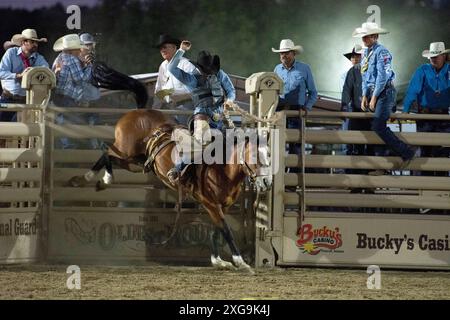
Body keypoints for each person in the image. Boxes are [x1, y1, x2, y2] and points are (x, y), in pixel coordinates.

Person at [166, 40, 236, 183]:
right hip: (202, 116)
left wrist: (229, 100)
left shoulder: (220, 74)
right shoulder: (191, 78)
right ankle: (178, 168)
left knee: (234, 139)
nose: (209, 72)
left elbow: (231, 91)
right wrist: (181, 50)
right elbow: (172, 68)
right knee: (201, 143)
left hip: (220, 115)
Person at [353, 22, 416, 175]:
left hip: (385, 92)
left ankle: (406, 152)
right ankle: (384, 162)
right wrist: (365, 96)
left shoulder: (382, 52)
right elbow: (366, 77)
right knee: (374, 126)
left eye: (367, 36)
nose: (364, 39)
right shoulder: (367, 54)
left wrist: (373, 97)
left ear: (375, 37)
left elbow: (383, 76)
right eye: (364, 36)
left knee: (378, 126)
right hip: (377, 92)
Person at [403, 42, 450, 176]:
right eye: (432, 56)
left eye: (437, 56)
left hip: (444, 119)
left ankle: (440, 188)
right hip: (425, 118)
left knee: (442, 152)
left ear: (444, 56)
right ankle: (425, 185)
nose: (434, 58)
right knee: (425, 151)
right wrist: (405, 110)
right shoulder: (422, 70)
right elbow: (412, 91)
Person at [272, 38, 318, 170]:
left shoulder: (304, 68)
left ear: (293, 53)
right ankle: (279, 175)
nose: (283, 55)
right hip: (279, 112)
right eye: (281, 53)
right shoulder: (277, 69)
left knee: (295, 145)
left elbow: (313, 92)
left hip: (296, 111)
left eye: (286, 52)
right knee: (277, 143)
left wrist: (306, 107)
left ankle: (292, 178)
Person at [51, 34, 97, 149]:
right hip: (67, 98)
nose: (79, 50)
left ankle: (65, 150)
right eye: (78, 48)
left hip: (58, 97)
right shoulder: (72, 59)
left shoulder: (59, 57)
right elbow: (81, 80)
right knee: (69, 126)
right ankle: (70, 151)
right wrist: (90, 66)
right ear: (73, 49)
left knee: (63, 124)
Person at [0, 29, 49, 122]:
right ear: (23, 42)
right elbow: (1, 72)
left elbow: (46, 71)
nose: (36, 45)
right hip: (8, 98)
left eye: (37, 42)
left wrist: (33, 73)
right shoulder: (11, 53)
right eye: (33, 42)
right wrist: (18, 76)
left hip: (25, 101)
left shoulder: (38, 57)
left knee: (19, 132)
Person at [153, 34, 196, 125]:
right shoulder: (163, 66)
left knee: (182, 132)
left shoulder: (186, 64)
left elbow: (196, 89)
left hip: (187, 106)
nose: (162, 50)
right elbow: (158, 91)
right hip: (168, 108)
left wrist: (170, 92)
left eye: (165, 47)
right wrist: (154, 111)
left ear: (174, 48)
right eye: (160, 48)